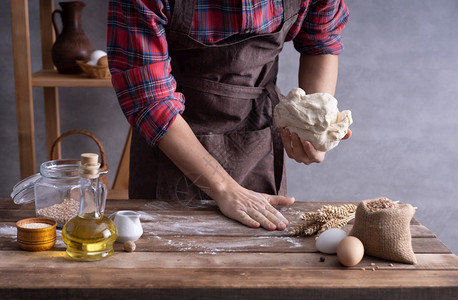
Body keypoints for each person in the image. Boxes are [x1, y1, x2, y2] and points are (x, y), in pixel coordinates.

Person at [107, 0, 350, 231]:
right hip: (174, 145)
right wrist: (224, 188)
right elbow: (151, 98)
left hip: (258, 134)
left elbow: (320, 41)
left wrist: (313, 121)